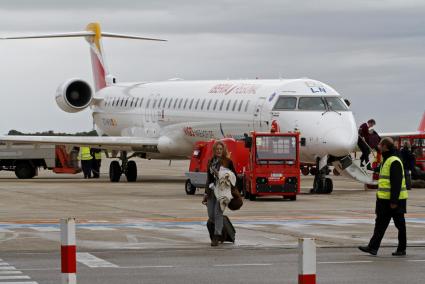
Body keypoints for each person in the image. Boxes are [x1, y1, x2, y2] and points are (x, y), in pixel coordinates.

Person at [358, 137, 408, 256]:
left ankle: (401, 249)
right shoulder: (386, 159)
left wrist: (394, 201)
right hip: (384, 200)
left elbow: (396, 182)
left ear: (385, 146)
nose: (379, 147)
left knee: (400, 225)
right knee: (380, 224)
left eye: (380, 145)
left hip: (395, 200)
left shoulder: (394, 160)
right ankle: (372, 247)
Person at [202, 141, 237, 247]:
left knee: (218, 213)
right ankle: (223, 231)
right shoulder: (211, 161)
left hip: (222, 191)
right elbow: (209, 179)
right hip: (212, 191)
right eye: (217, 149)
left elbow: (234, 176)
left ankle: (216, 236)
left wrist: (221, 175)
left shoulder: (228, 162)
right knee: (211, 215)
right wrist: (205, 193)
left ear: (223, 150)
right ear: (214, 150)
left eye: (221, 149)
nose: (219, 151)